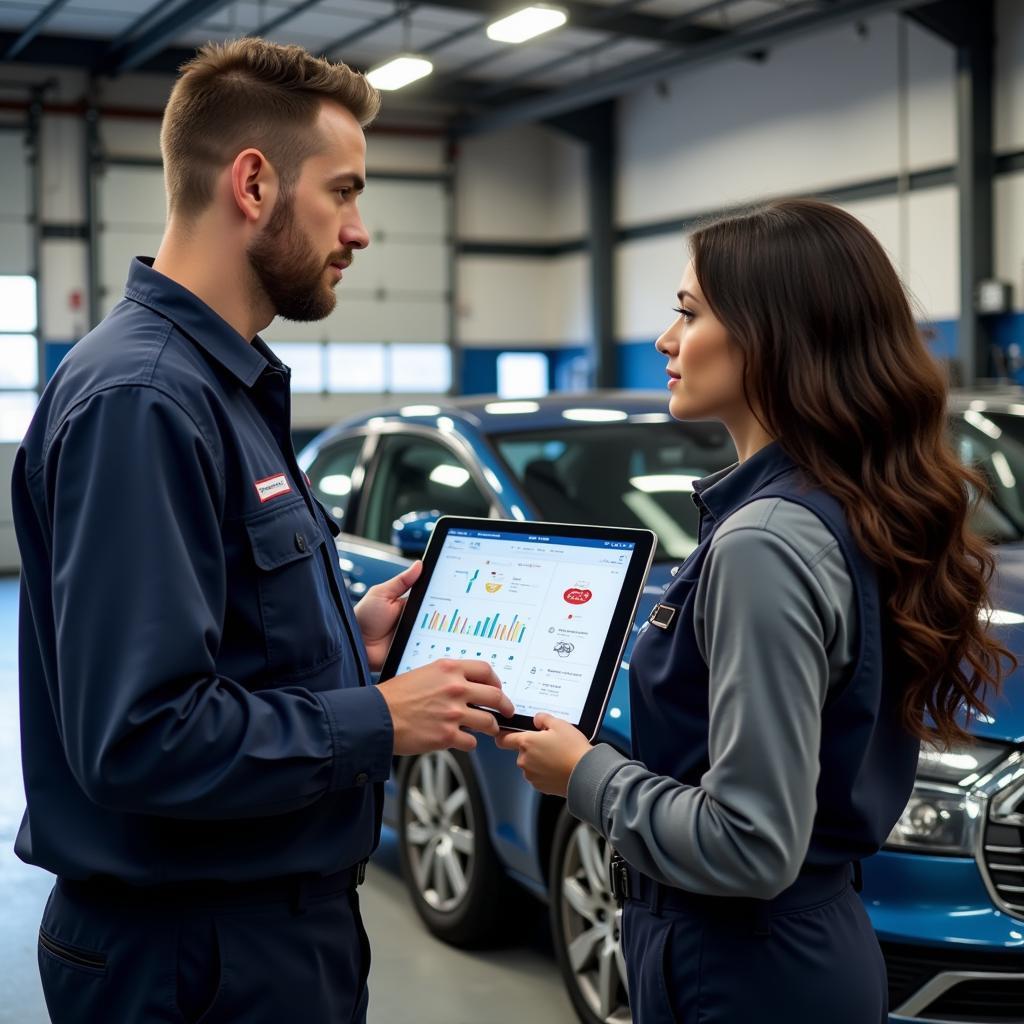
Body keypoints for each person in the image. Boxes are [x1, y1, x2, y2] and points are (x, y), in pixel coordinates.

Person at [12, 37, 514, 1024]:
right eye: (343, 191)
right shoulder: (146, 400)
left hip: (260, 935)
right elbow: (141, 737)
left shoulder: (219, 385)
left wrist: (349, 645)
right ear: (252, 183)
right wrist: (378, 718)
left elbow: (223, 642)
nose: (359, 231)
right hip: (195, 959)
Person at [498, 198, 1014, 1022]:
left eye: (688, 312)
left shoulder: (765, 543)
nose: (666, 342)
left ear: (773, 336)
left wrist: (584, 773)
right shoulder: (839, 507)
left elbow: (749, 842)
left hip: (740, 965)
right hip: (796, 947)